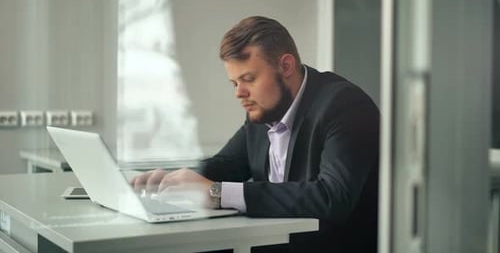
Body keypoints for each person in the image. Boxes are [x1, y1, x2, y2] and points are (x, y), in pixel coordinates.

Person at [131, 16, 380, 253]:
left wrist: (217, 193)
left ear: (285, 66)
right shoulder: (265, 109)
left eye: (248, 79)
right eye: (234, 83)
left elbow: (332, 196)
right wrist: (169, 179)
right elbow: (227, 165)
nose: (239, 93)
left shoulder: (344, 105)